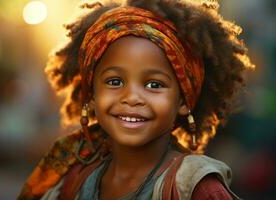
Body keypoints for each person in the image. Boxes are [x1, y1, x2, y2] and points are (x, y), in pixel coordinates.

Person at [17, 0, 254, 199]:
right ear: (91, 92)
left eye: (154, 85)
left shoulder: (196, 189)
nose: (131, 97)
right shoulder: (72, 176)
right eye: (114, 82)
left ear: (183, 101)